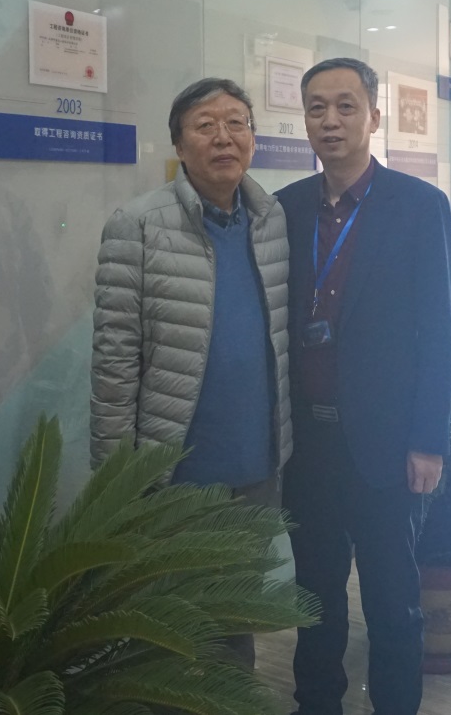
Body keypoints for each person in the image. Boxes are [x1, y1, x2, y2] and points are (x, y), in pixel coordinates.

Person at [276, 58, 451, 715]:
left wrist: (428, 441)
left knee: (392, 605)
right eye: (317, 107)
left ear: (374, 117)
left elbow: (440, 334)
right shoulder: (285, 209)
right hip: (308, 447)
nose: (330, 120)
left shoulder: (419, 207)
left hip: (385, 447)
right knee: (314, 601)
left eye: (346, 106)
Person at [90, 78, 292, 639]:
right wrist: (116, 482)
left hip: (257, 465)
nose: (223, 137)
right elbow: (113, 361)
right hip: (176, 471)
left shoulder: (274, 221)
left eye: (236, 123)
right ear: (179, 146)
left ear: (253, 138)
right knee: (173, 628)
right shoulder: (137, 224)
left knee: (238, 617)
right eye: (205, 126)